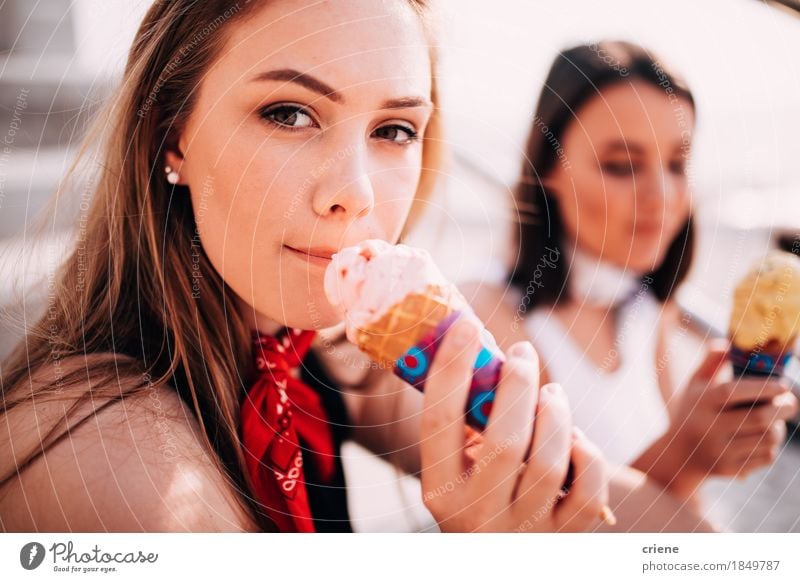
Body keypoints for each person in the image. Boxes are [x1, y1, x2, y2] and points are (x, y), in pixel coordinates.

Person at [0, 0, 609, 533]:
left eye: (394, 129)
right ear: (172, 137)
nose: (355, 192)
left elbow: (640, 517)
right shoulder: (105, 447)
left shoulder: (324, 355)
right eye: (289, 114)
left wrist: (665, 467)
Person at [465, 41, 798, 507]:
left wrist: (714, 446)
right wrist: (688, 453)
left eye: (677, 164)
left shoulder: (649, 304)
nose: (661, 196)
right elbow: (544, 525)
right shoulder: (489, 322)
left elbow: (680, 506)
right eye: (622, 165)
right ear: (547, 170)